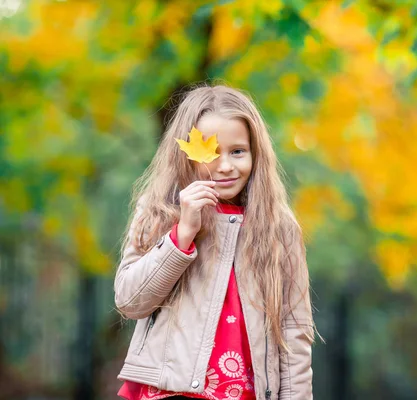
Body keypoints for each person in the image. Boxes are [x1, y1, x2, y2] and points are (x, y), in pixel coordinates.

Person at [114, 84, 315, 400]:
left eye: (238, 151)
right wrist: (182, 234)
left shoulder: (279, 228)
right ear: (186, 154)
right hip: (170, 391)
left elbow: (294, 331)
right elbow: (130, 300)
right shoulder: (160, 211)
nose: (225, 166)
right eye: (210, 152)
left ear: (255, 154)